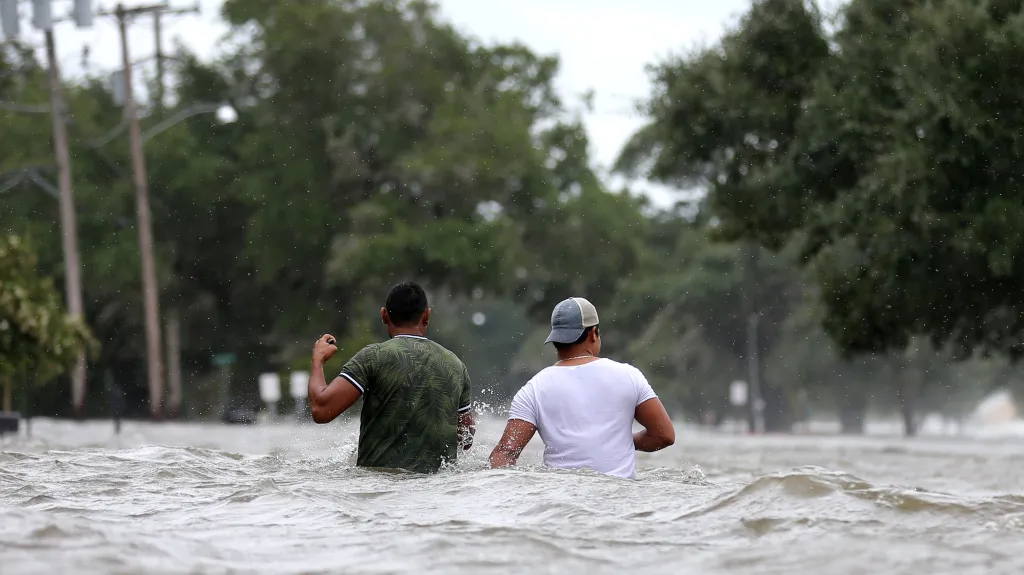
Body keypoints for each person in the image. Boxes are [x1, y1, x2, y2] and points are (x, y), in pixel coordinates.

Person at [489, 297, 675, 479]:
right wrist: (622, 441)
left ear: (556, 338)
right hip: (618, 501)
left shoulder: (533, 389)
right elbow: (664, 435)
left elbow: (504, 454)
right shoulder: (629, 376)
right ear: (594, 333)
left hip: (559, 501)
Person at [308, 281, 475, 473]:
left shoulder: (373, 357)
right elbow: (466, 438)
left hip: (381, 489)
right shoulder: (455, 364)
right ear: (427, 315)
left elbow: (321, 410)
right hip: (437, 493)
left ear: (384, 315)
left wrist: (317, 360)